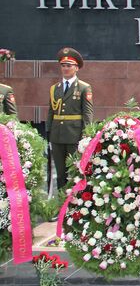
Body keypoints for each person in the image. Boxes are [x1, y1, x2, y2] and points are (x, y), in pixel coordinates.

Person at [46, 47, 93, 191]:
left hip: (75, 136)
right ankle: (60, 205)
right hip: (57, 136)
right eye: (63, 66)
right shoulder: (55, 88)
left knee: (74, 172)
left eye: (69, 66)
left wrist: (86, 136)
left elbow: (88, 113)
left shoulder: (84, 88)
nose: (65, 68)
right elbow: (51, 113)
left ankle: (73, 207)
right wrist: (48, 133)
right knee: (60, 173)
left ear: (77, 68)